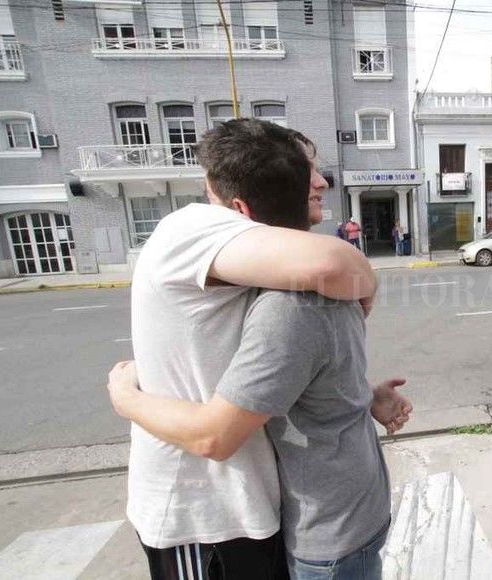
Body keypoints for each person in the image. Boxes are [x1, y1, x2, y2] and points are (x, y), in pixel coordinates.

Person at [115, 119, 380, 579]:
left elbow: (294, 362)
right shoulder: (191, 225)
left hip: (258, 503)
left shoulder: (276, 274)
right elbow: (335, 262)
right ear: (235, 206)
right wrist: (127, 399)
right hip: (202, 512)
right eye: (308, 171)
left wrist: (361, 392)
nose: (320, 182)